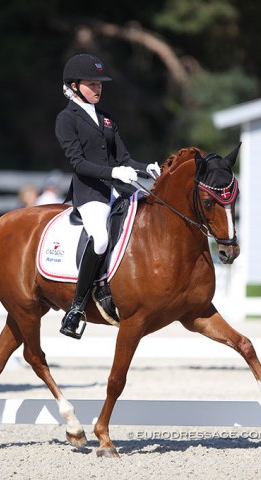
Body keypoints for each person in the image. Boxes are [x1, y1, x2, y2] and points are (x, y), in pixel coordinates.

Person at [55, 53, 160, 339]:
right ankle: (76, 308)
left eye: (100, 84)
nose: (98, 88)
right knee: (100, 238)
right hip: (91, 192)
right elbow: (78, 164)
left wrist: (144, 168)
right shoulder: (66, 119)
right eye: (92, 84)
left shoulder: (106, 119)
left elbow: (123, 157)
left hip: (117, 189)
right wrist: (113, 174)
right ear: (74, 86)